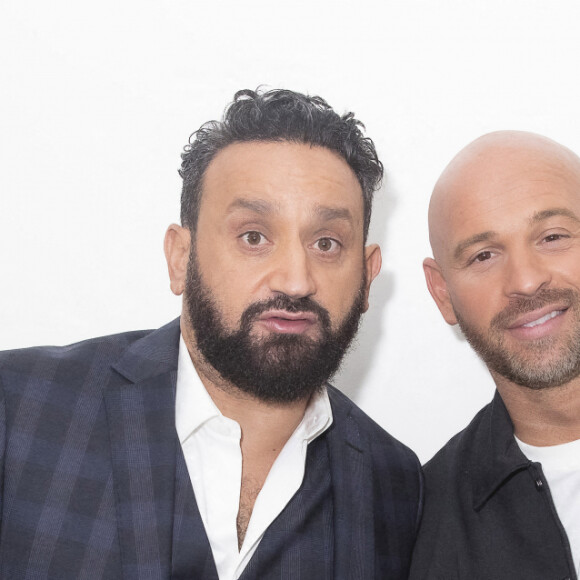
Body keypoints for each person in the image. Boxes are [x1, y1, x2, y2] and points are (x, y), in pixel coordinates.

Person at [0, 88, 422, 579]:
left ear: (368, 277)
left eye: (327, 243)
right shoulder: (19, 407)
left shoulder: (395, 485)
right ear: (181, 258)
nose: (295, 279)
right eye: (254, 237)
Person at [409, 130, 580, 579]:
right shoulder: (415, 533)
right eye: (484, 255)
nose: (525, 280)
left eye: (553, 236)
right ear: (442, 292)